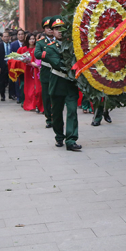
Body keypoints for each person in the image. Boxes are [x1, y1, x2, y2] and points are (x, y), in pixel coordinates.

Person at [45, 17, 81, 151]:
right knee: (57, 113)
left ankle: (71, 140)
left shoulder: (74, 45)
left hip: (71, 84)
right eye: (56, 29)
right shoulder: (50, 48)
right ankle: (59, 135)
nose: (60, 31)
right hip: (57, 83)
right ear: (52, 32)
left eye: (62, 28)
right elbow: (58, 64)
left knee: (72, 111)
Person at [35, 17, 55, 128]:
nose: (50, 30)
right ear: (44, 29)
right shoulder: (41, 42)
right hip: (46, 73)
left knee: (57, 97)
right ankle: (49, 118)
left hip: (58, 74)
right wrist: (50, 55)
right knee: (46, 97)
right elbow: (37, 54)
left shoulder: (59, 41)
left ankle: (56, 117)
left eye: (52, 28)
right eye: (48, 28)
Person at [20, 33, 43, 112]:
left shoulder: (37, 48)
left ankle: (37, 104)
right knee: (30, 88)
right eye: (30, 39)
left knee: (37, 88)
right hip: (28, 71)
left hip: (37, 71)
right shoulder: (24, 49)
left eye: (33, 39)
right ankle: (30, 104)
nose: (32, 41)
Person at [0, 31, 13, 101]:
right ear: (2, 38)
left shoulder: (12, 45)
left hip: (11, 65)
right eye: (4, 36)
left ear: (9, 37)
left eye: (7, 36)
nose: (6, 38)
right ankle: (2, 95)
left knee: (11, 80)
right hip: (2, 65)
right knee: (1, 81)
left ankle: (11, 94)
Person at [11, 29, 26, 103]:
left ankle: (25, 97)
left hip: (26, 66)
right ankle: (18, 96)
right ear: (17, 36)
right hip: (17, 67)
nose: (21, 36)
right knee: (17, 82)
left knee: (25, 82)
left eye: (22, 34)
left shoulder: (27, 43)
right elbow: (11, 56)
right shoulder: (13, 44)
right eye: (19, 34)